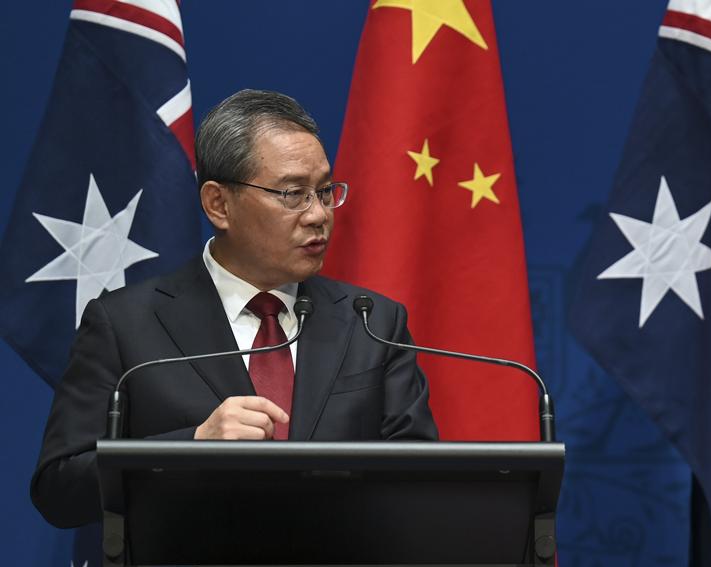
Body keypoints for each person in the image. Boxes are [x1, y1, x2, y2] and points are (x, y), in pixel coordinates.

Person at [32, 89, 438, 528]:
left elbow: (420, 482)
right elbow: (60, 488)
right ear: (218, 205)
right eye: (293, 193)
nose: (318, 214)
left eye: (324, 191)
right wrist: (193, 446)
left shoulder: (372, 323)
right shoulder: (125, 324)